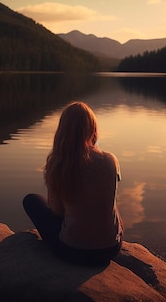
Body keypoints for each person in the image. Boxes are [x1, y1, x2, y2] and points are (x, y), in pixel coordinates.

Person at [23, 101, 123, 266]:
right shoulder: (111, 160)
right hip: (111, 248)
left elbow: (56, 211)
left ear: (62, 130)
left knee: (31, 200)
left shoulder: (59, 163)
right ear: (93, 129)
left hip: (73, 251)